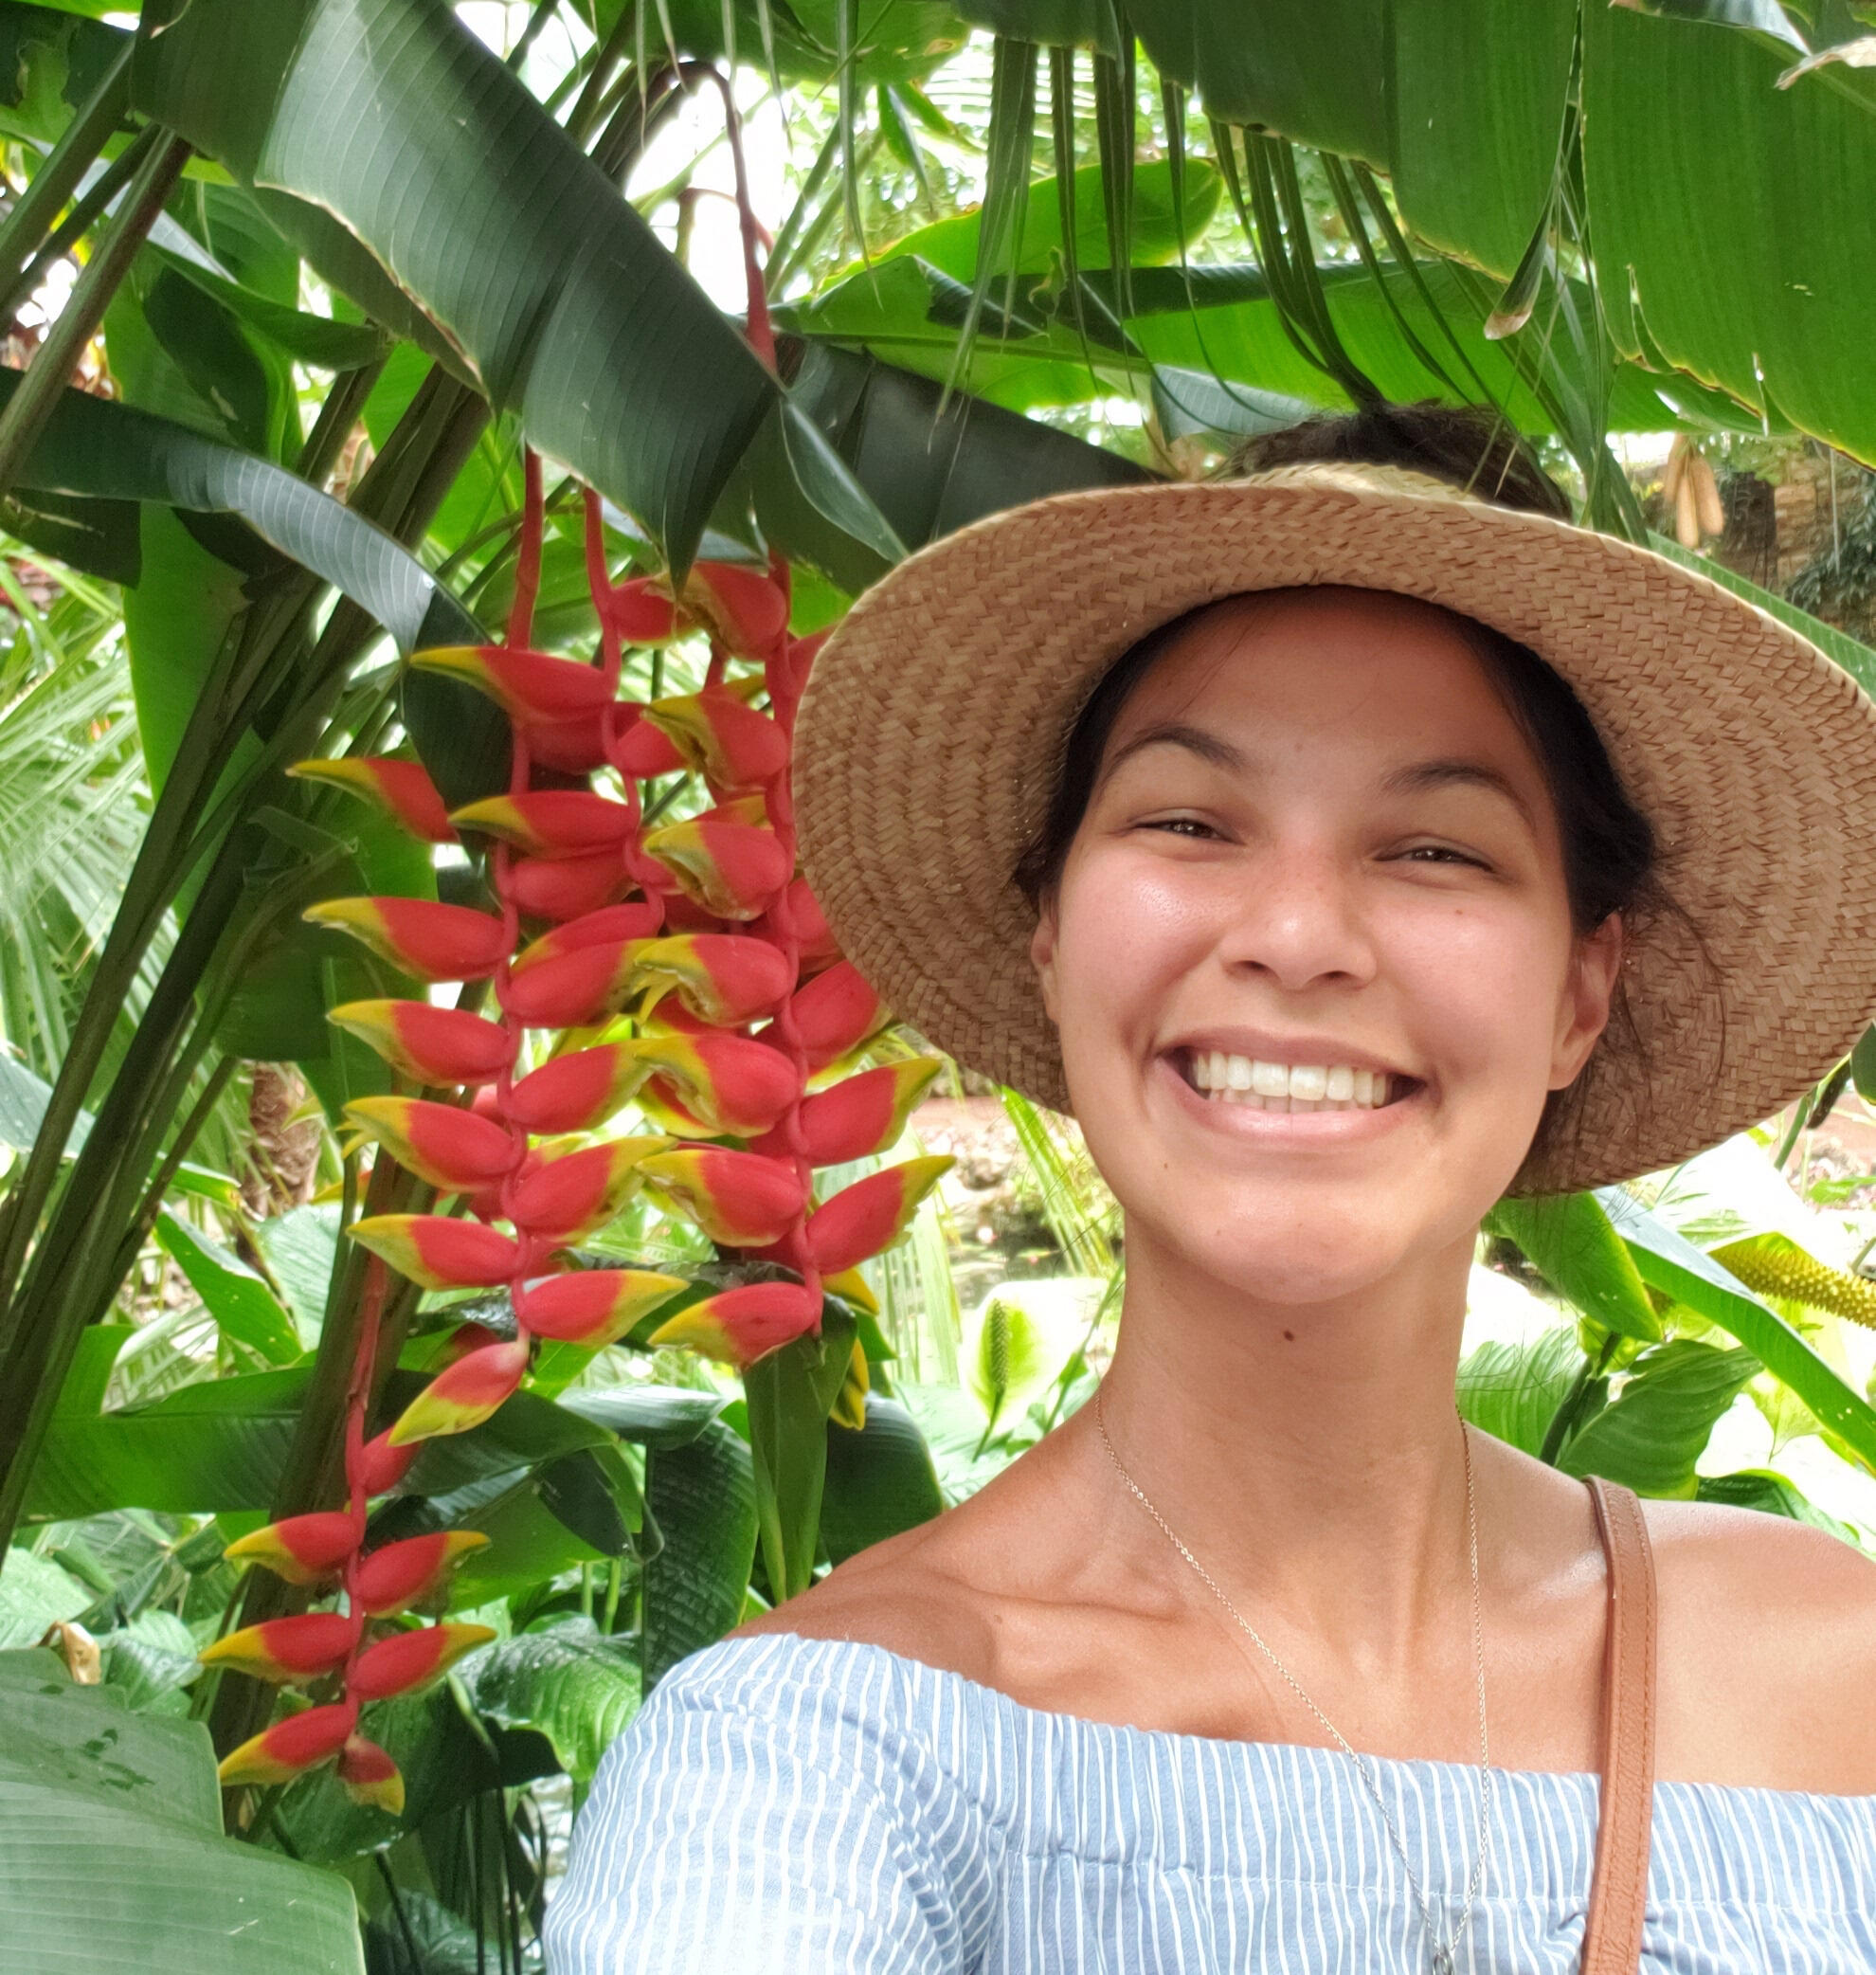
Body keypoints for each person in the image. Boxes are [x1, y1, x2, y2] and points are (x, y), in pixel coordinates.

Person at [549, 406, 1876, 1973]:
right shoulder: (813, 1773)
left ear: (1584, 992)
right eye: (1187, 822)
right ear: (1048, 936)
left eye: (1436, 850)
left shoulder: (1825, 1674)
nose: (1297, 934)